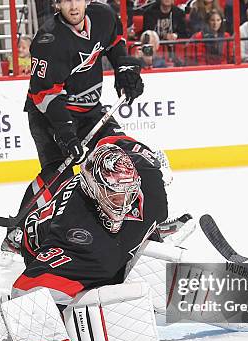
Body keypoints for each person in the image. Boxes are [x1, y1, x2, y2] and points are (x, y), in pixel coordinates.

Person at [0, 136, 169, 341]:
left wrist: (141, 149)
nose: (122, 203)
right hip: (44, 248)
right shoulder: (75, 235)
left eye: (128, 193)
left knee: (151, 259)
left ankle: (218, 296)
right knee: (72, 307)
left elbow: (112, 140)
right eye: (114, 195)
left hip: (104, 249)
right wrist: (48, 324)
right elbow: (26, 291)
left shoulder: (152, 190)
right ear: (94, 189)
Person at [19, 0, 144, 227]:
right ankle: (18, 232)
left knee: (123, 157)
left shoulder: (103, 15)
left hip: (90, 112)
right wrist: (67, 134)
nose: (73, 6)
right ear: (57, 4)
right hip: (48, 115)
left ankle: (138, 220)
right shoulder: (48, 40)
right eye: (65, 0)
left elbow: (114, 42)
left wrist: (123, 68)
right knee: (60, 174)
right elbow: (44, 95)